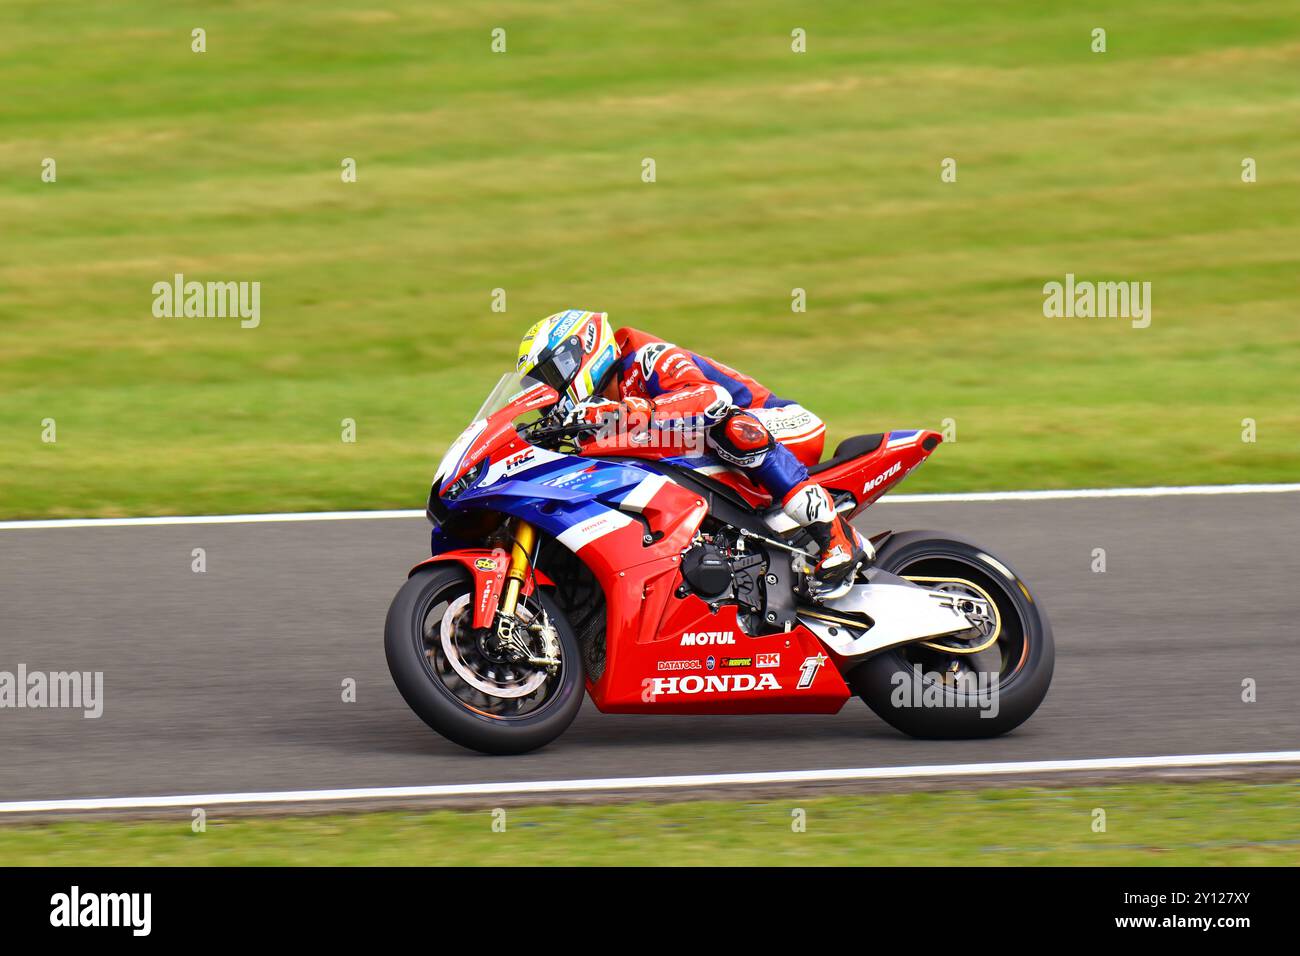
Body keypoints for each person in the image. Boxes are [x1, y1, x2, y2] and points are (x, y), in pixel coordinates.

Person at [516, 309, 870, 587]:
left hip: (780, 424)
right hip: (717, 460)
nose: (548, 394)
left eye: (550, 377)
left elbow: (711, 399)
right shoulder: (592, 416)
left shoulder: (646, 357)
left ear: (579, 353)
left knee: (730, 426)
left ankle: (835, 535)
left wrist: (634, 410)